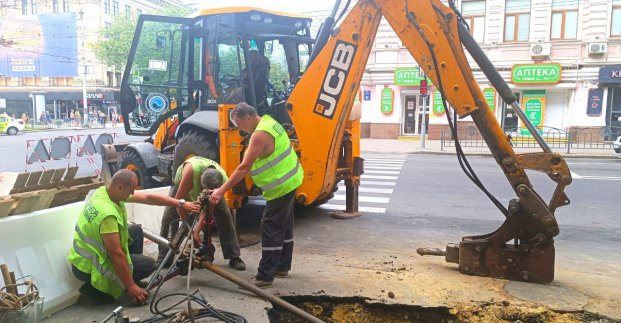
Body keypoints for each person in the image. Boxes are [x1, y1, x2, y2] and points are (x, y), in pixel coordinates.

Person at [67, 170, 201, 305]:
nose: (132, 193)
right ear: (120, 186)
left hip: (85, 258)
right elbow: (117, 255)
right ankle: (96, 290)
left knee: (136, 230)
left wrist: (181, 204)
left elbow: (148, 198)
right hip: (90, 268)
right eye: (131, 190)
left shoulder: (104, 193)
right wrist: (130, 286)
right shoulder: (107, 215)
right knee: (148, 264)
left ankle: (128, 279)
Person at [209, 102, 303, 288]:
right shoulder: (270, 122)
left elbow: (244, 167)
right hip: (291, 179)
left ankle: (265, 276)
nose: (240, 129)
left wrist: (221, 190)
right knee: (284, 226)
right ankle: (282, 267)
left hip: (280, 186)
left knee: (271, 227)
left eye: (239, 124)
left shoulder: (259, 134)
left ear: (248, 118)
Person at [158, 157, 246, 271]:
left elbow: (209, 209)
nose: (204, 192)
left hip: (214, 192)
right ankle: (164, 257)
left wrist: (197, 231)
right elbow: (178, 201)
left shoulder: (223, 179)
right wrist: (189, 229)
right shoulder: (190, 172)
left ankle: (234, 256)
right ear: (200, 180)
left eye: (210, 191)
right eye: (204, 189)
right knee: (168, 218)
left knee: (225, 217)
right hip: (181, 186)